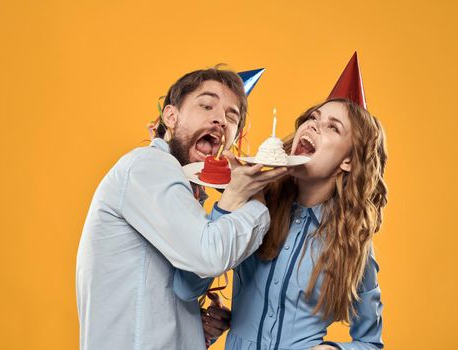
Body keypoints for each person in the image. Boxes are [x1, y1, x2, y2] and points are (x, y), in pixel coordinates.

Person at [174, 55, 387, 350]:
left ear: (349, 160)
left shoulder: (351, 241)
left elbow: (370, 342)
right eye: (313, 118)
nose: (313, 126)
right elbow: (185, 286)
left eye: (332, 127)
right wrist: (229, 203)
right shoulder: (252, 206)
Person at [75, 67, 289, 350]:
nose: (220, 119)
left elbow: (184, 287)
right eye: (206, 105)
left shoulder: (183, 192)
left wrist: (192, 327)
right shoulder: (148, 165)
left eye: (232, 116)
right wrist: (255, 202)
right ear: (171, 116)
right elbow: (208, 256)